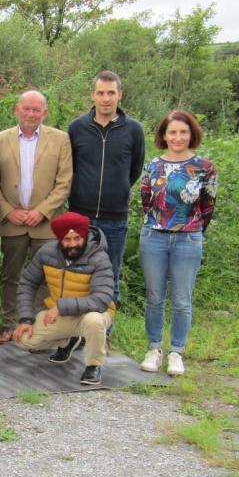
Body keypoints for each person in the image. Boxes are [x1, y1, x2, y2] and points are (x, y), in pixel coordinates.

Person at [0, 89, 72, 346]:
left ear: (44, 113)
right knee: (11, 275)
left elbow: (64, 183)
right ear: (16, 110)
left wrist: (41, 211)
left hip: (46, 223)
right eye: (26, 108)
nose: (31, 114)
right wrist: (8, 211)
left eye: (36, 110)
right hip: (13, 221)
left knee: (46, 276)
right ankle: (9, 324)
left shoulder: (60, 139)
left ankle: (38, 328)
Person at [139, 110, 217, 376]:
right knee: (154, 298)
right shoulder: (153, 166)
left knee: (182, 300)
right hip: (154, 238)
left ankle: (176, 352)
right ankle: (154, 349)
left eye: (183, 132)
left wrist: (191, 230)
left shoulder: (204, 167)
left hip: (188, 238)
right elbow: (146, 201)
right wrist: (159, 224)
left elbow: (208, 206)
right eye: (172, 132)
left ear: (191, 134)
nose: (178, 137)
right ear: (164, 135)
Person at [68, 70, 145, 311]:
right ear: (92, 95)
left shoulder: (134, 130)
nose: (105, 99)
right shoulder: (77, 128)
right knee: (77, 274)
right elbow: (69, 167)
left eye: (111, 93)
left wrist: (117, 190)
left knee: (109, 275)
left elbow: (135, 169)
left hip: (115, 218)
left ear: (120, 95)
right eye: (100, 93)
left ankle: (104, 328)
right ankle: (78, 328)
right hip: (80, 215)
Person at [12, 212, 115, 385]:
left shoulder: (99, 258)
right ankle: (69, 339)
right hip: (60, 314)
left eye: (77, 238)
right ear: (59, 239)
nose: (73, 244)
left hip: (92, 313)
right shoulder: (46, 253)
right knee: (23, 340)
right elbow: (27, 283)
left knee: (94, 321)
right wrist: (26, 319)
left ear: (84, 236)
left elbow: (101, 299)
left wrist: (61, 307)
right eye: (67, 239)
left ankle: (93, 365)